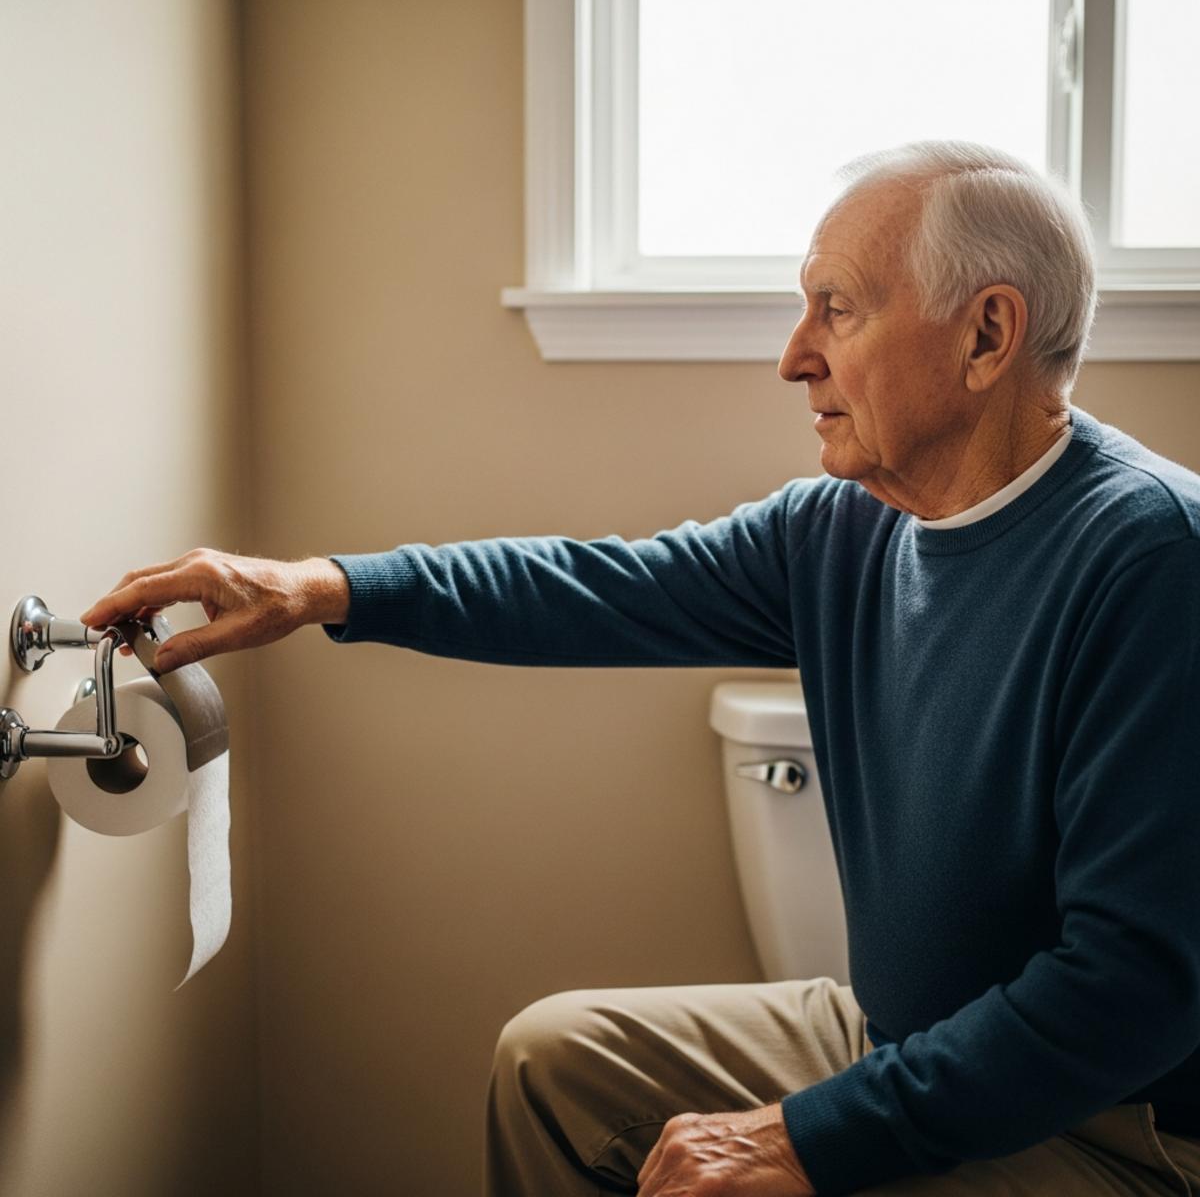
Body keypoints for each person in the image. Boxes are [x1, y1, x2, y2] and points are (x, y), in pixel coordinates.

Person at [82, 142, 1200, 1196]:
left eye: (838, 308)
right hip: (903, 1029)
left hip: (1114, 1122)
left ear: (987, 336)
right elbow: (601, 585)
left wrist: (809, 1137)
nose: (794, 354)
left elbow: (1130, 993)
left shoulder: (1152, 561)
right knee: (556, 1064)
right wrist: (318, 587)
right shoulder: (849, 530)